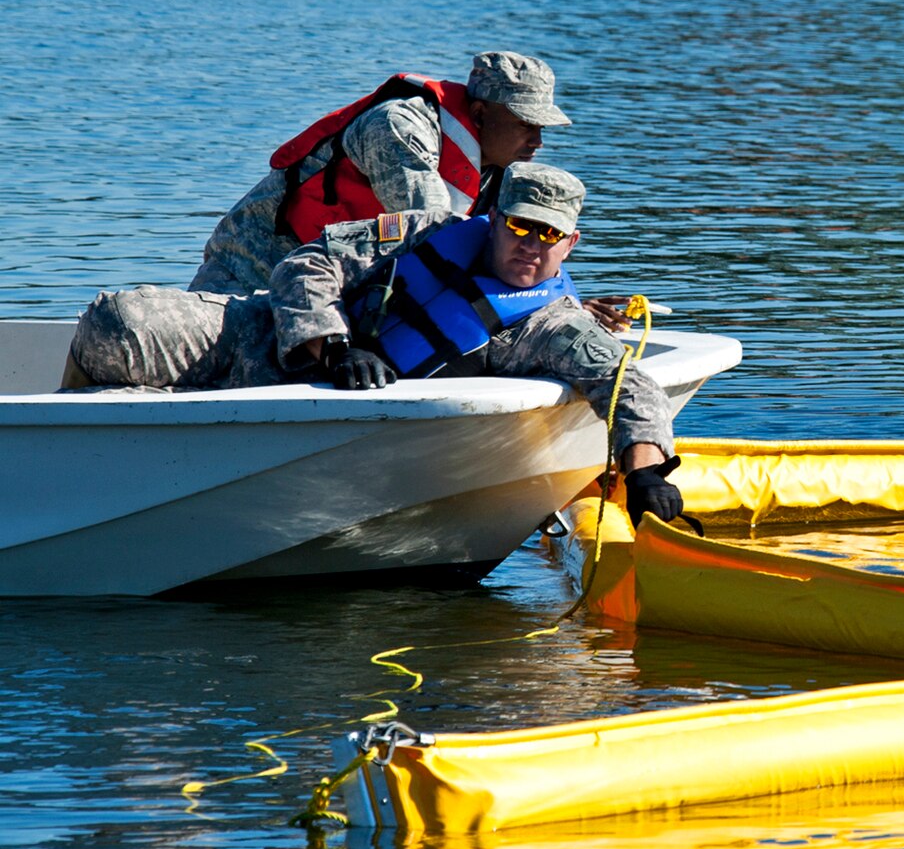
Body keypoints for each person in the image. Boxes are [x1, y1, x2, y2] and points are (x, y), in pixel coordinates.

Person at [67, 162, 687, 525]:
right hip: (263, 342)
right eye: (521, 225)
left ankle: (130, 484)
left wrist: (645, 475)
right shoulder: (422, 233)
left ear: (570, 244)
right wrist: (332, 345)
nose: (531, 243)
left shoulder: (550, 324)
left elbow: (627, 383)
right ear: (494, 220)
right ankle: (71, 465)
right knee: (119, 321)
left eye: (549, 234)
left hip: (334, 429)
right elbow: (309, 264)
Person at [187, 51, 568, 296]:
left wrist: (554, 298)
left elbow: (505, 249)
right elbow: (434, 235)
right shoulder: (397, 128)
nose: (537, 140)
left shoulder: (497, 166)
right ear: (482, 114)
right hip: (250, 267)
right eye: (525, 124)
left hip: (328, 283)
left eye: (542, 128)